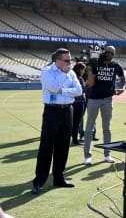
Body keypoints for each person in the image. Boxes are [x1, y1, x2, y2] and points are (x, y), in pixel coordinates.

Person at [31, 48, 82, 194]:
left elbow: (79, 91)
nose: (69, 63)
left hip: (67, 110)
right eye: (66, 61)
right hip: (52, 111)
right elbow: (53, 87)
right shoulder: (47, 71)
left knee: (63, 146)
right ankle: (39, 180)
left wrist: (63, 91)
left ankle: (59, 178)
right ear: (57, 61)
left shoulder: (71, 72)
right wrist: (63, 75)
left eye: (70, 60)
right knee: (46, 146)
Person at [84, 45, 126, 165]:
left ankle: (107, 154)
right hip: (93, 99)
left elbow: (123, 79)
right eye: (107, 52)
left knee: (107, 128)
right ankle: (87, 156)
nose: (109, 54)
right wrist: (90, 64)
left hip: (108, 99)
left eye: (111, 53)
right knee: (89, 128)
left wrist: (122, 88)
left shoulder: (116, 66)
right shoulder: (96, 63)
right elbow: (90, 81)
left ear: (114, 54)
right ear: (104, 52)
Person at [71, 62, 87, 145]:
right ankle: (74, 140)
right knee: (76, 122)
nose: (84, 71)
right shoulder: (78, 78)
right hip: (78, 102)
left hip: (74, 102)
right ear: (80, 69)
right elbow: (82, 90)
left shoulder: (74, 77)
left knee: (74, 122)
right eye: (83, 70)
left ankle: (74, 138)